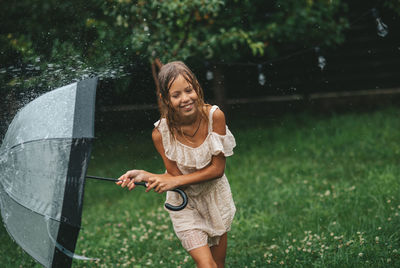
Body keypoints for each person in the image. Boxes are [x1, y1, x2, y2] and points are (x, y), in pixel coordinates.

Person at [117, 61, 236, 268]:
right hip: (184, 203)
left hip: (214, 198)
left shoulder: (214, 117)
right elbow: (174, 176)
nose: (185, 99)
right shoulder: (160, 133)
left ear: (197, 87)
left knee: (219, 264)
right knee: (207, 265)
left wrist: (175, 180)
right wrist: (143, 175)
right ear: (166, 99)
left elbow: (217, 170)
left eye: (188, 90)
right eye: (176, 95)